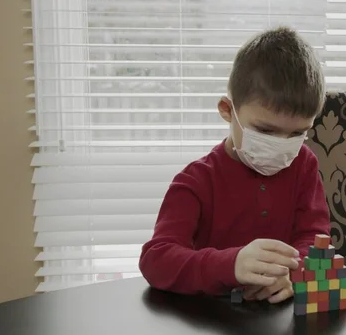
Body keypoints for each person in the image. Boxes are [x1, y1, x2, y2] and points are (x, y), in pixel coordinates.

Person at [138, 26, 331, 304]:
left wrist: (295, 273)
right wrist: (232, 265)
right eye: (265, 131)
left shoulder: (304, 164)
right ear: (228, 111)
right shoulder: (196, 181)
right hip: (210, 319)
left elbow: (314, 238)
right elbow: (156, 259)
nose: (281, 145)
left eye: (297, 134)